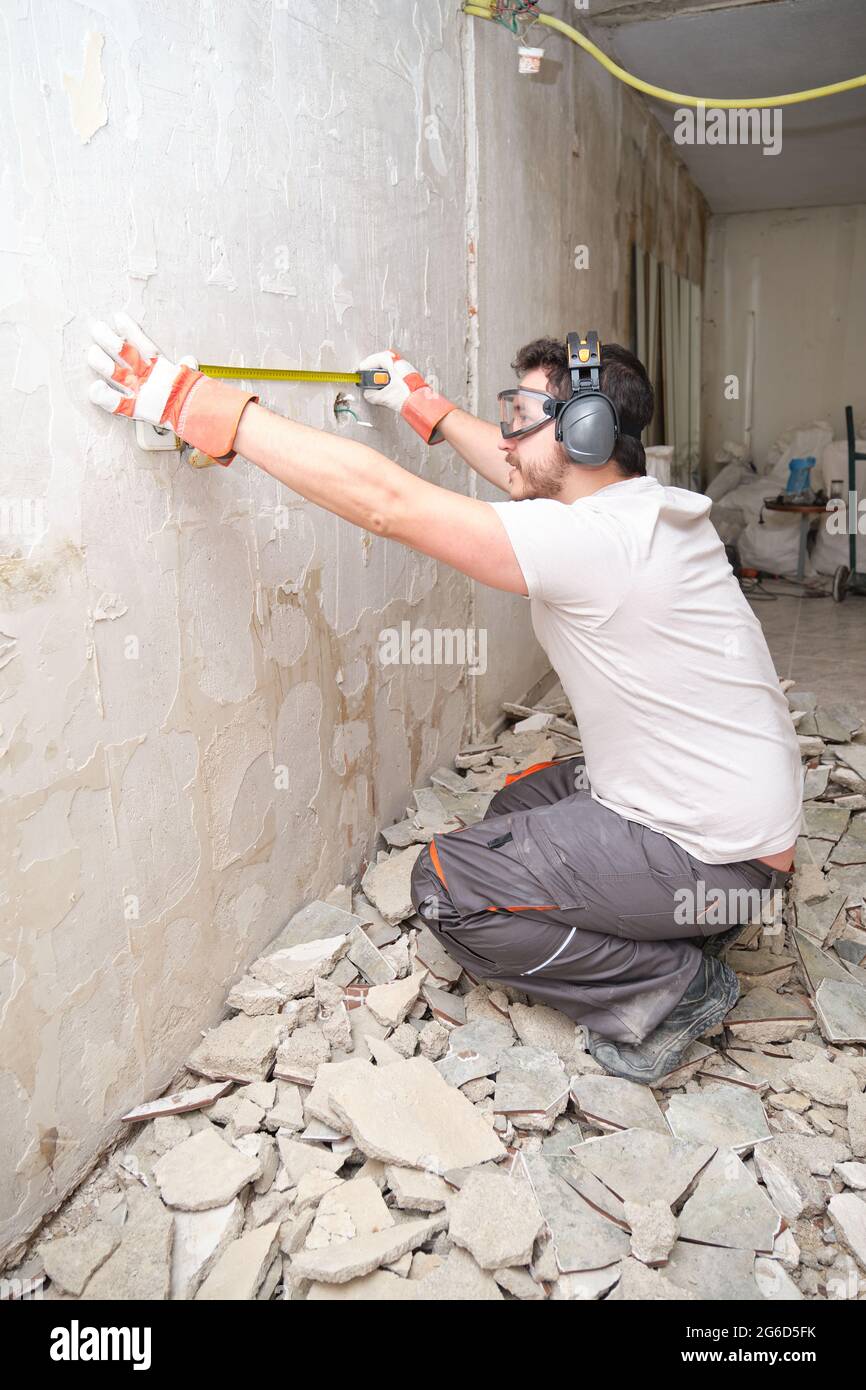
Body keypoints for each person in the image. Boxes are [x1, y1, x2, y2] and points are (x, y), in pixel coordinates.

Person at [85, 314, 802, 1085]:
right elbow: (517, 473)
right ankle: (679, 925)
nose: (504, 439)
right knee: (517, 808)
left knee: (450, 886)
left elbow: (389, 504)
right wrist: (419, 403)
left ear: (585, 432)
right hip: (735, 830)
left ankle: (673, 987)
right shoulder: (641, 507)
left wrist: (198, 404)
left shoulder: (595, 545)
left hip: (718, 857)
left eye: (520, 420)